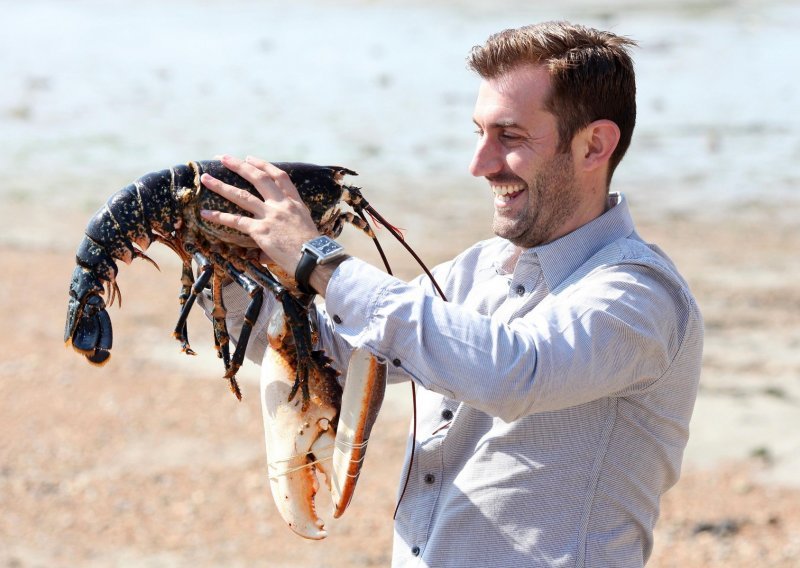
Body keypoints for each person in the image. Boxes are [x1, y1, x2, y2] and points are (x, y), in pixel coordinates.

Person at [198, 21, 703, 567]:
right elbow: (325, 350)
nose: (479, 164)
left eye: (509, 137)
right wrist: (214, 256)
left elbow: (516, 372)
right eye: (478, 133)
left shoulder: (639, 295)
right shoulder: (477, 270)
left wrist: (318, 259)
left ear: (594, 145)